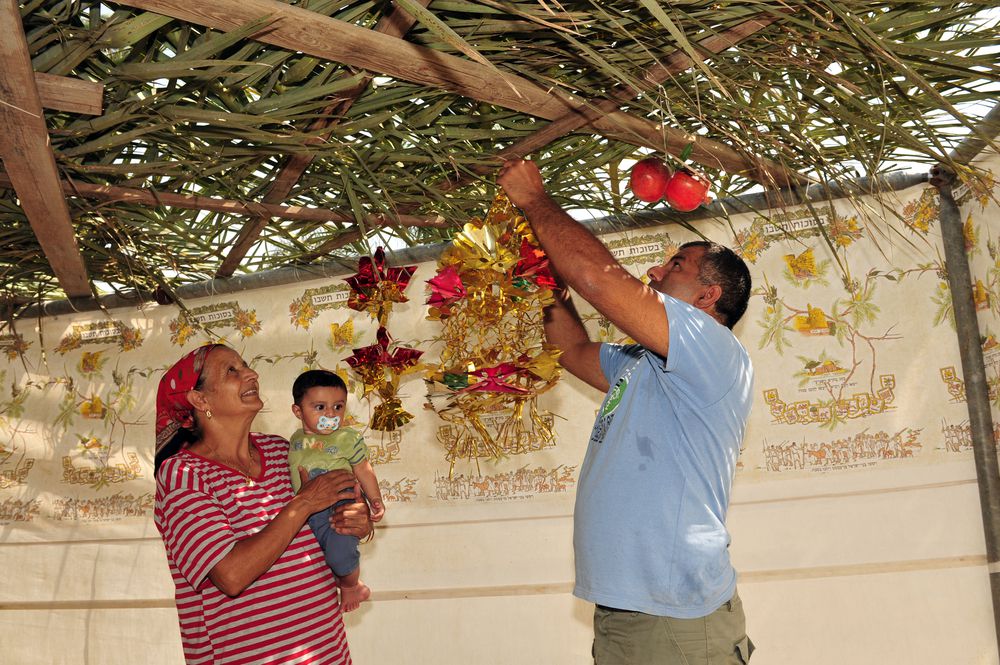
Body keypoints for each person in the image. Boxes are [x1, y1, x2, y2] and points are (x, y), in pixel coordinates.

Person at [498, 158, 755, 665]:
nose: (655, 271)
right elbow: (571, 351)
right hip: (630, 611)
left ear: (708, 296)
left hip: (674, 618)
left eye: (674, 266)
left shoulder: (711, 345)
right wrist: (547, 282)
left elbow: (599, 278)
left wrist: (534, 200)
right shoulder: (643, 360)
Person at [153, 344, 372, 665]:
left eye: (246, 365)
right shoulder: (183, 475)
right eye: (232, 370)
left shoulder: (282, 450)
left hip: (328, 653)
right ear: (200, 400)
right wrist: (303, 503)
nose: (251, 374)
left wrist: (357, 519)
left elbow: (333, 513)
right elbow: (230, 575)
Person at [288, 369, 385, 612]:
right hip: (306, 512)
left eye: (338, 407)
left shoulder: (346, 438)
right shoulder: (295, 439)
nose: (330, 414)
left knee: (340, 551)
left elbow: (363, 469)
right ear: (298, 411)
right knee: (320, 555)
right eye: (320, 407)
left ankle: (352, 586)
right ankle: (341, 579)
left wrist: (375, 499)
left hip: (339, 503)